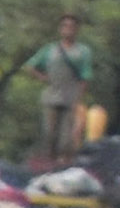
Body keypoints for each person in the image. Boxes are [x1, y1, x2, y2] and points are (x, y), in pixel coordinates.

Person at [29, 14, 100, 163]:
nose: (68, 30)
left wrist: (79, 98)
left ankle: (63, 163)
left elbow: (85, 77)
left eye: (72, 27)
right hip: (52, 96)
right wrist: (43, 78)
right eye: (65, 26)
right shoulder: (50, 50)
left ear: (77, 30)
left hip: (70, 98)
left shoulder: (82, 52)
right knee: (49, 134)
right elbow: (31, 66)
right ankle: (47, 162)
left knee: (66, 138)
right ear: (60, 29)